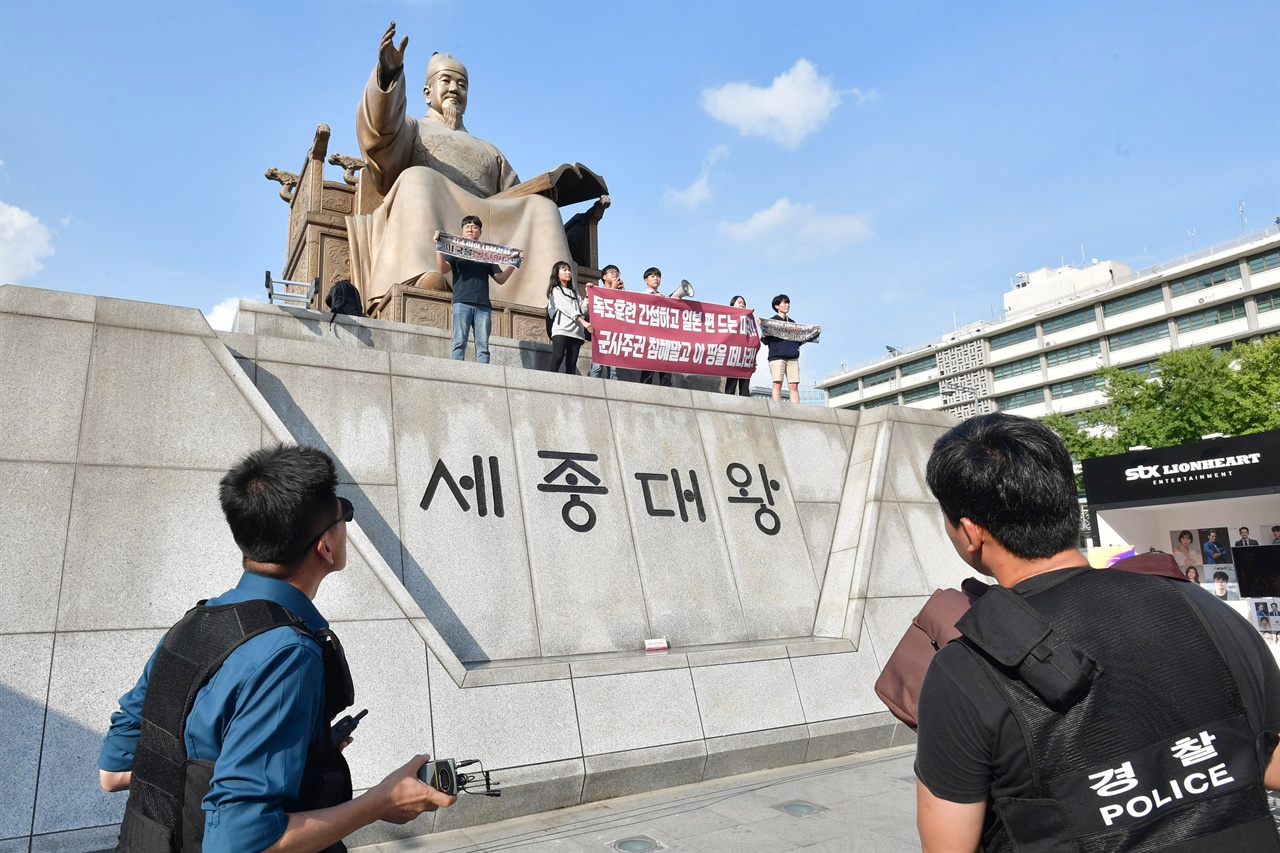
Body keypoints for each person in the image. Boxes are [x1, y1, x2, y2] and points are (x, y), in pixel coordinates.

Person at [914, 413, 1280, 853]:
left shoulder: (963, 670)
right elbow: (1270, 761)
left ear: (970, 531)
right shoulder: (1199, 605)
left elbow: (947, 846)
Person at [98, 445, 455, 852]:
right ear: (326, 546)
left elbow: (114, 771)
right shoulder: (287, 654)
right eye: (344, 515)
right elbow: (239, 844)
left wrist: (290, 754)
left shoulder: (190, 626)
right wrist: (379, 803)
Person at [350, 23, 580, 310]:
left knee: (542, 208)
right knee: (418, 177)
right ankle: (424, 272)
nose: (454, 89)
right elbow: (379, 138)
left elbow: (514, 194)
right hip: (434, 211)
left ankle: (555, 295)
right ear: (426, 92)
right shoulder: (412, 128)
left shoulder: (488, 149)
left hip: (486, 223)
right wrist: (389, 75)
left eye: (462, 85)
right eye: (445, 81)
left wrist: (546, 190)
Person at [433, 217, 521, 364]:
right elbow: (442, 269)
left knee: (483, 346)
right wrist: (439, 247)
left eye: (474, 227)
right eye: (467, 226)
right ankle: (456, 372)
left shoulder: (486, 255)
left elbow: (500, 279)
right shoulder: (455, 249)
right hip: (461, 302)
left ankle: (483, 375)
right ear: (462, 230)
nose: (470, 229)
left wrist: (514, 263)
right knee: (459, 343)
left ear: (480, 232)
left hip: (483, 305)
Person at [546, 261, 591, 375]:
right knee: (557, 357)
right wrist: (582, 321)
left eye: (569, 270)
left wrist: (587, 296)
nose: (568, 272)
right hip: (561, 329)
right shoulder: (555, 290)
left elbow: (583, 310)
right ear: (557, 273)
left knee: (571, 363)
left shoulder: (575, 293)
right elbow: (567, 308)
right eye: (564, 270)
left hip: (576, 332)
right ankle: (549, 384)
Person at [761, 294, 801, 403]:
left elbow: (799, 340)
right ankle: (776, 408)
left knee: (793, 385)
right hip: (777, 357)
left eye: (788, 303)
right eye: (784, 303)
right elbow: (765, 341)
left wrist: (813, 333)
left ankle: (796, 410)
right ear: (777, 306)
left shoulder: (793, 323)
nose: (787, 305)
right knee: (777, 383)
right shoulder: (771, 322)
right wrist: (764, 333)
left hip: (792, 357)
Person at [638, 267, 674, 387]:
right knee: (648, 369)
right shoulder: (641, 296)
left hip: (664, 337)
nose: (656, 278)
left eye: (658, 276)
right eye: (652, 276)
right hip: (649, 337)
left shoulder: (664, 298)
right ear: (645, 280)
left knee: (666, 371)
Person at [588, 264, 623, 380]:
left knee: (614, 369)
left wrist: (623, 292)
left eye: (617, 272)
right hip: (601, 333)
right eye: (611, 272)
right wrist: (612, 289)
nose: (615, 274)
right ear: (604, 276)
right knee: (597, 367)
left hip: (616, 333)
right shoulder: (598, 291)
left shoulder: (621, 292)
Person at [722, 295, 755, 397]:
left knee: (745, 385)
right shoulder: (729, 318)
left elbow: (753, 339)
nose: (742, 304)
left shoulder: (749, 321)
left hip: (745, 355)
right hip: (733, 353)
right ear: (732, 305)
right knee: (731, 384)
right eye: (739, 302)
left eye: (743, 303)